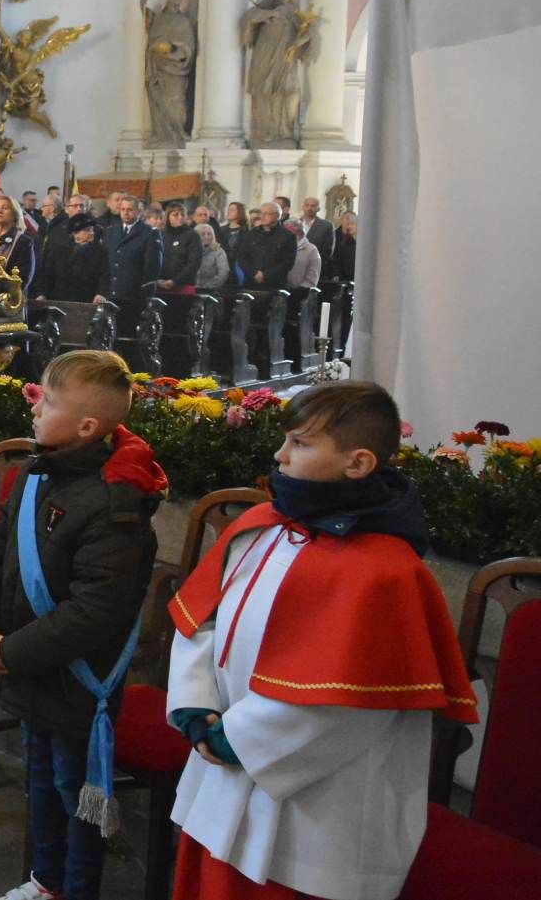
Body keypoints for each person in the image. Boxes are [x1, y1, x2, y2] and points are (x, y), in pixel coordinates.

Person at [166, 382, 477, 900]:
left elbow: (352, 701)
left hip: (319, 808)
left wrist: (237, 739)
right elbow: (202, 620)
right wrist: (195, 706)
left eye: (300, 444)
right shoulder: (261, 526)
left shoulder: (387, 573)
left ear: (357, 463)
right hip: (221, 770)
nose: (279, 454)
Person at [0, 350, 168, 900]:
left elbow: (95, 612)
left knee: (76, 792)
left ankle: (78, 889)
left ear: (86, 426)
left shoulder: (115, 505)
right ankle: (47, 882)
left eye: (48, 400)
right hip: (29, 665)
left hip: (80, 680)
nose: (34, 406)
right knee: (39, 781)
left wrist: (11, 652)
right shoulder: (34, 475)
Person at [95, 195, 162, 306]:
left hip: (134, 296)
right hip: (111, 294)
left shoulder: (149, 233)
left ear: (139, 212)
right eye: (123, 209)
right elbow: (105, 266)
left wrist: (142, 293)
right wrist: (101, 292)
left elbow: (152, 268)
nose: (125, 212)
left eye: (130, 209)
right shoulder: (111, 231)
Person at [0, 194, 37, 313]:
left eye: (5, 208)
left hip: (9, 304)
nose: (0, 210)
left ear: (14, 214)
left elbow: (22, 278)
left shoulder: (23, 242)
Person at [237, 201, 297, 291]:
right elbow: (242, 257)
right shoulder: (252, 233)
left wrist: (265, 275)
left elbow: (287, 262)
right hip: (250, 283)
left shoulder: (288, 236)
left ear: (277, 216)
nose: (262, 216)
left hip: (274, 285)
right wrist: (254, 273)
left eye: (267, 214)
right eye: (261, 213)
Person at [157, 202, 200, 294]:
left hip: (184, 286)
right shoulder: (160, 234)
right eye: (175, 215)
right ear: (168, 217)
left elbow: (194, 263)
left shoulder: (192, 235)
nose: (180, 217)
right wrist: (157, 280)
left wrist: (174, 281)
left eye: (182, 214)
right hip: (161, 285)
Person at [284, 219, 322, 291]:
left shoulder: (311, 250)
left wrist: (297, 292)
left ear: (299, 233)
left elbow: (312, 279)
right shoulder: (282, 247)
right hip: (280, 290)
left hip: (299, 293)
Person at [193, 222, 230, 290]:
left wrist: (207, 287)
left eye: (209, 234)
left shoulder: (219, 251)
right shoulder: (190, 251)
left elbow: (223, 273)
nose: (206, 236)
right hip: (191, 288)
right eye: (203, 234)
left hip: (211, 289)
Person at [299, 197, 335, 263]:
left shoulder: (326, 226)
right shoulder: (294, 223)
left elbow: (328, 250)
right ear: (303, 207)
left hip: (315, 263)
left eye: (313, 206)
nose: (309, 208)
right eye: (307, 205)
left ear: (318, 209)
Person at [325, 211, 357, 283]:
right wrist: (335, 274)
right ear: (341, 220)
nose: (349, 224)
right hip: (337, 277)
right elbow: (332, 258)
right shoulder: (333, 236)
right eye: (347, 219)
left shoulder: (355, 239)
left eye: (352, 222)